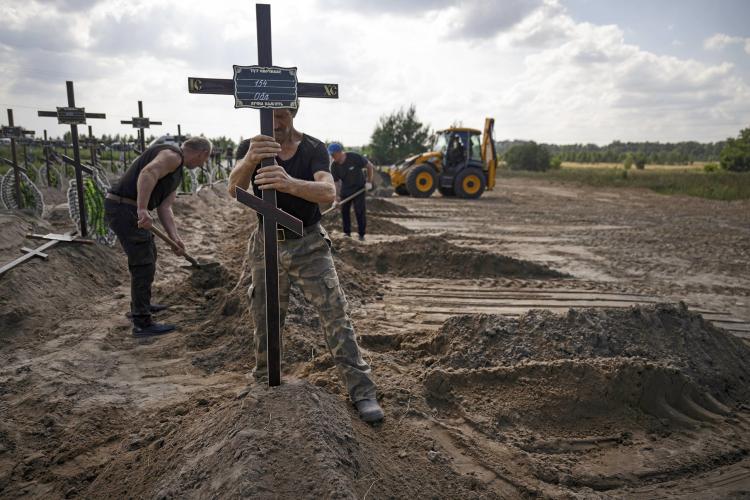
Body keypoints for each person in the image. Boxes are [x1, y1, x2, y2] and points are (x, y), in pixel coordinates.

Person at [228, 107, 384, 423]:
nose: (275, 123)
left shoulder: (312, 148)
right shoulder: (252, 146)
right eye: (268, 115)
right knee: (265, 314)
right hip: (266, 242)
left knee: (335, 313)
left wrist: (287, 183)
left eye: (281, 115)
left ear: (293, 113)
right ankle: (263, 381)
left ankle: (362, 392)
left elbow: (327, 193)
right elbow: (234, 190)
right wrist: (249, 160)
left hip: (308, 242)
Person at [105, 136, 212, 337]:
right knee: (143, 262)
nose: (202, 164)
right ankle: (142, 322)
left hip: (128, 208)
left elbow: (165, 207)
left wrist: (175, 238)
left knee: (149, 255)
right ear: (202, 153)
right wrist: (142, 209)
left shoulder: (177, 171)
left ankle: (141, 305)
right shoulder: (172, 156)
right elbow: (148, 172)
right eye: (204, 160)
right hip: (123, 207)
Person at [328, 142, 374, 241]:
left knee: (359, 211)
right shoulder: (334, 166)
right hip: (346, 190)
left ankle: (361, 234)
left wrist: (369, 182)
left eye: (333, 154)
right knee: (344, 211)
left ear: (340, 152)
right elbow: (335, 183)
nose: (332, 156)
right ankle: (347, 234)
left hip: (359, 189)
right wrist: (336, 198)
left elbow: (369, 166)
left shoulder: (354, 157)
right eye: (330, 154)